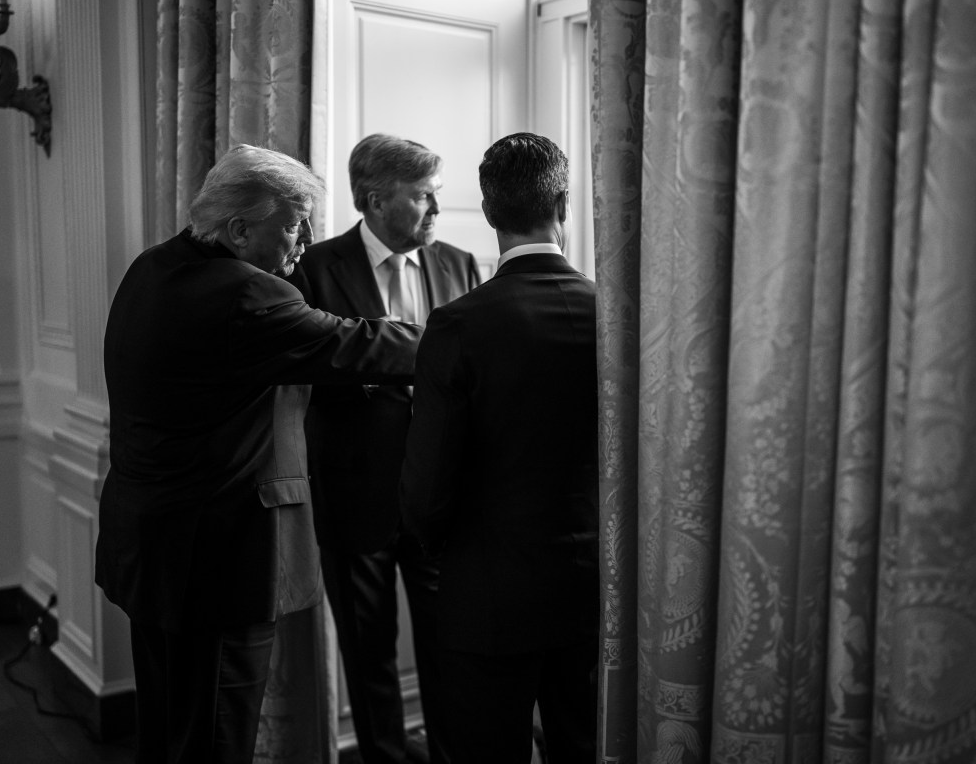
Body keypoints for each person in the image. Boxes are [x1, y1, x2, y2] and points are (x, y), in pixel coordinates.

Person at [95, 144, 422, 764]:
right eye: (294, 226)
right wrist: (464, 334)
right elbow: (356, 345)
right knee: (217, 740)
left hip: (151, 548)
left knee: (166, 731)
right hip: (216, 561)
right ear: (240, 229)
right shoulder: (244, 295)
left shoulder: (153, 267)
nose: (305, 243)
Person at [399, 132, 600, 762]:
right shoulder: (616, 313)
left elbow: (427, 480)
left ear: (489, 214)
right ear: (564, 205)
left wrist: (434, 553)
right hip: (595, 587)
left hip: (487, 592)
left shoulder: (459, 324)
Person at [287, 134, 478, 764]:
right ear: (373, 199)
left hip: (441, 501)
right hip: (353, 495)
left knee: (451, 649)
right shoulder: (314, 269)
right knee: (369, 658)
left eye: (436, 196)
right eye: (424, 197)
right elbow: (305, 376)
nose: (436, 212)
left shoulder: (460, 265)